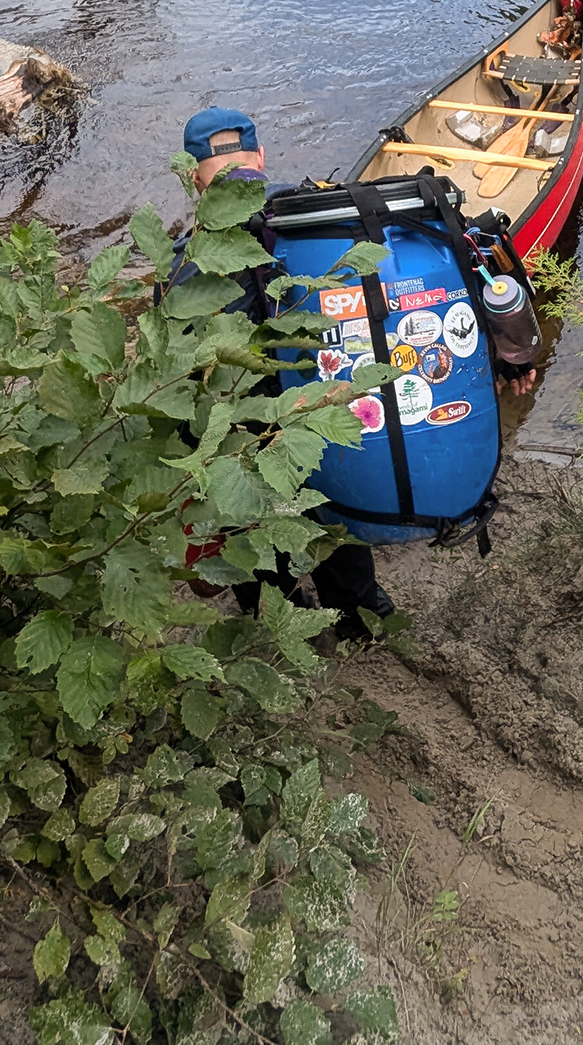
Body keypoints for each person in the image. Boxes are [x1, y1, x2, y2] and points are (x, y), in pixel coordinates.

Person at [178, 106, 540, 645]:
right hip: (331, 418)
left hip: (253, 427)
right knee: (336, 509)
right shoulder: (316, 214)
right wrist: (511, 354)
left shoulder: (190, 262)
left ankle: (279, 620)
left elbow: (186, 381)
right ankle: (362, 616)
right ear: (260, 157)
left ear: (193, 177)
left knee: (257, 525)